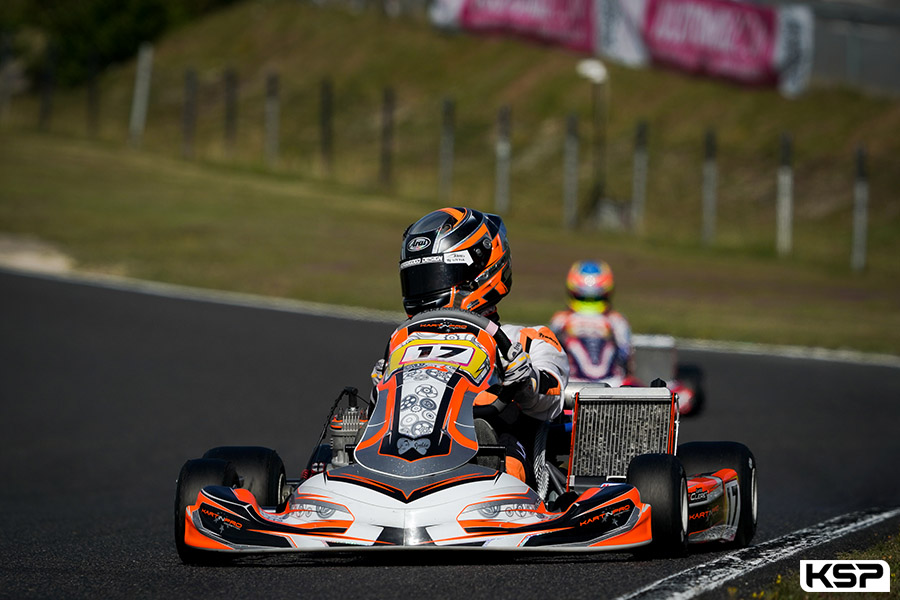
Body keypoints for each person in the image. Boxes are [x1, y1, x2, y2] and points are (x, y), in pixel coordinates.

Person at [370, 207, 569, 486]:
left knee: (491, 439)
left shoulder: (524, 339)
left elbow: (554, 394)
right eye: (417, 281)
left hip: (491, 451)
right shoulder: (403, 339)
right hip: (401, 449)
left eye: (434, 278)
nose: (424, 292)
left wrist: (525, 381)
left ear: (480, 275)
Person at [549, 260, 636, 386]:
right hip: (611, 386)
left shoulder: (561, 320)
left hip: (572, 387)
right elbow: (626, 358)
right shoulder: (617, 321)